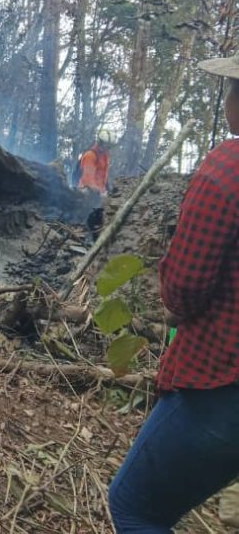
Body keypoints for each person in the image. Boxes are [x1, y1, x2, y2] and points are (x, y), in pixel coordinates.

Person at [108, 56, 239, 533]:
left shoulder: (227, 169)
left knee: (135, 508)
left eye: (231, 89)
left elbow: (183, 290)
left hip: (223, 389)